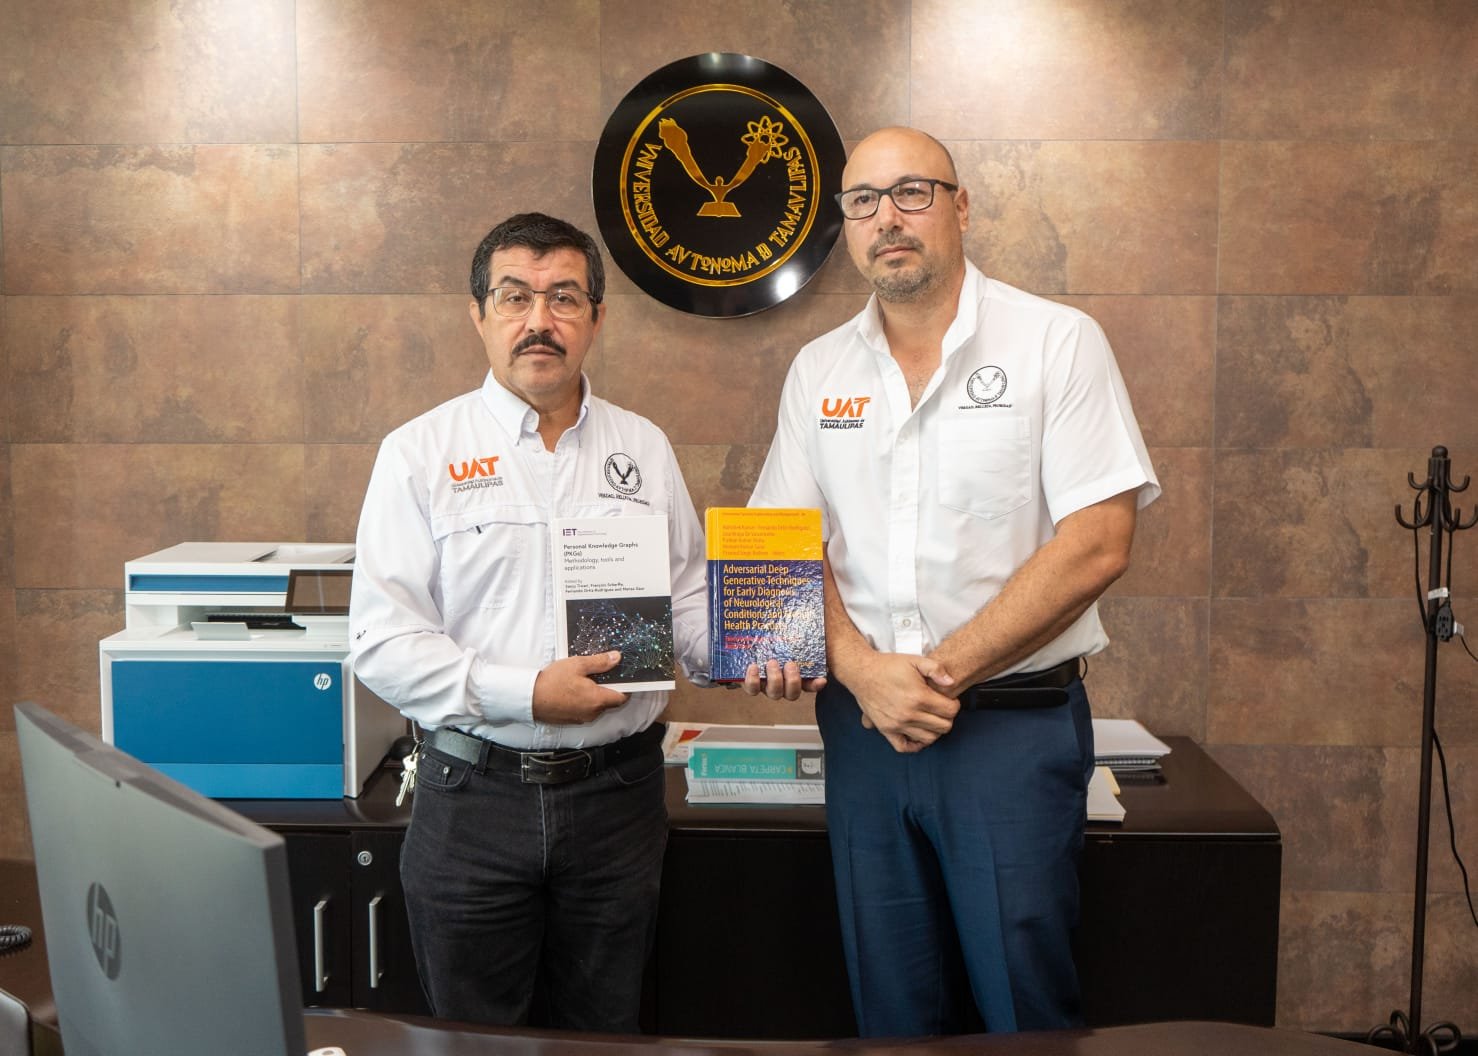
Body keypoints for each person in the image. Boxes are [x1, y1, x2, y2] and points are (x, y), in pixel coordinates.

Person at [745, 127, 1160, 1037]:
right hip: (864, 732)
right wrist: (866, 674)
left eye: (912, 192)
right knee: (891, 1004)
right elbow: (779, 546)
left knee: (1023, 1004)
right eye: (863, 201)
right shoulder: (819, 369)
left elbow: (1098, 543)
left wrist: (931, 678)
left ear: (961, 206)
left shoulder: (1057, 342)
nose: (886, 218)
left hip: (1009, 733)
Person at [348, 212, 708, 1032]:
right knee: (474, 1043)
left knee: (604, 1037)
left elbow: (684, 597)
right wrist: (528, 694)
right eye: (515, 297)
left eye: (564, 298)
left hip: (618, 802)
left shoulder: (644, 447)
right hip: (472, 801)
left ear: (596, 318)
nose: (539, 320)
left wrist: (748, 652)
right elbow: (382, 641)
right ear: (478, 314)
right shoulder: (419, 453)